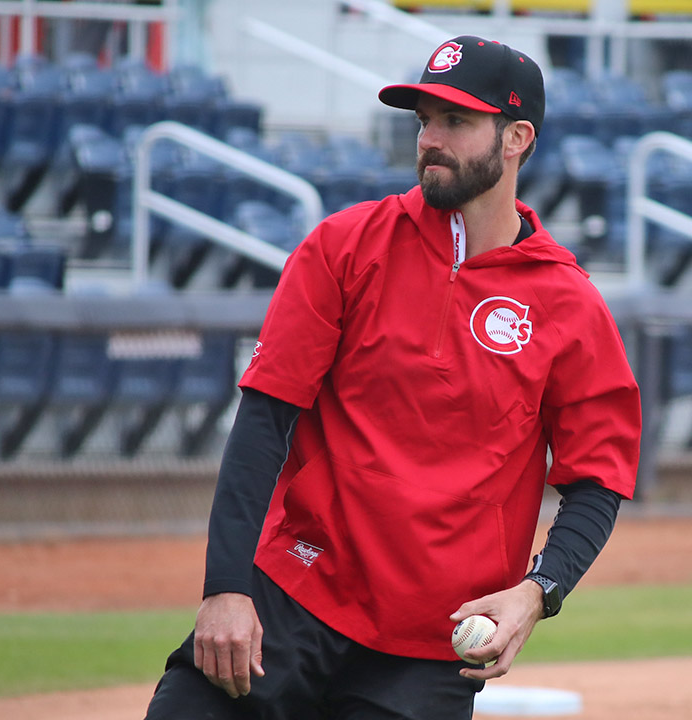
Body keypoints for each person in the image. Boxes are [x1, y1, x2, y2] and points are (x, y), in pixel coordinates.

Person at [144, 34, 641, 720]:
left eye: (456, 121)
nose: (430, 139)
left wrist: (538, 592)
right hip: (299, 589)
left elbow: (598, 478)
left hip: (435, 639)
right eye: (424, 120)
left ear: (517, 138)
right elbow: (263, 421)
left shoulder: (569, 301)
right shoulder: (345, 244)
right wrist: (226, 587)